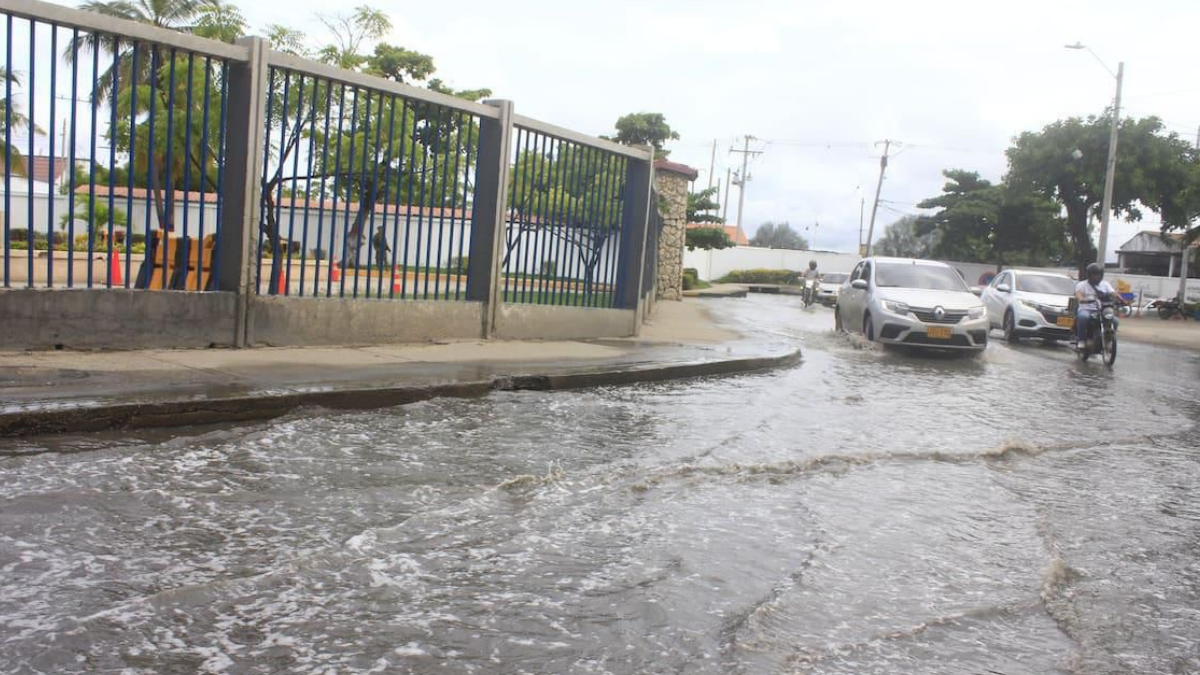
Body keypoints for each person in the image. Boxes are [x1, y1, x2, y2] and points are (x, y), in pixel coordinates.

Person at [1073, 262, 1122, 344]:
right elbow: (1079, 294)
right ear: (1089, 275)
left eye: (1098, 274)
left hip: (1102, 310)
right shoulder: (1082, 285)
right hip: (1087, 309)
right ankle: (1081, 340)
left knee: (1115, 321)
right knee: (1083, 318)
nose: (1096, 277)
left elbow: (1113, 293)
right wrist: (1082, 299)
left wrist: (1121, 300)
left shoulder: (1105, 284)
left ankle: (1108, 341)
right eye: (1094, 275)